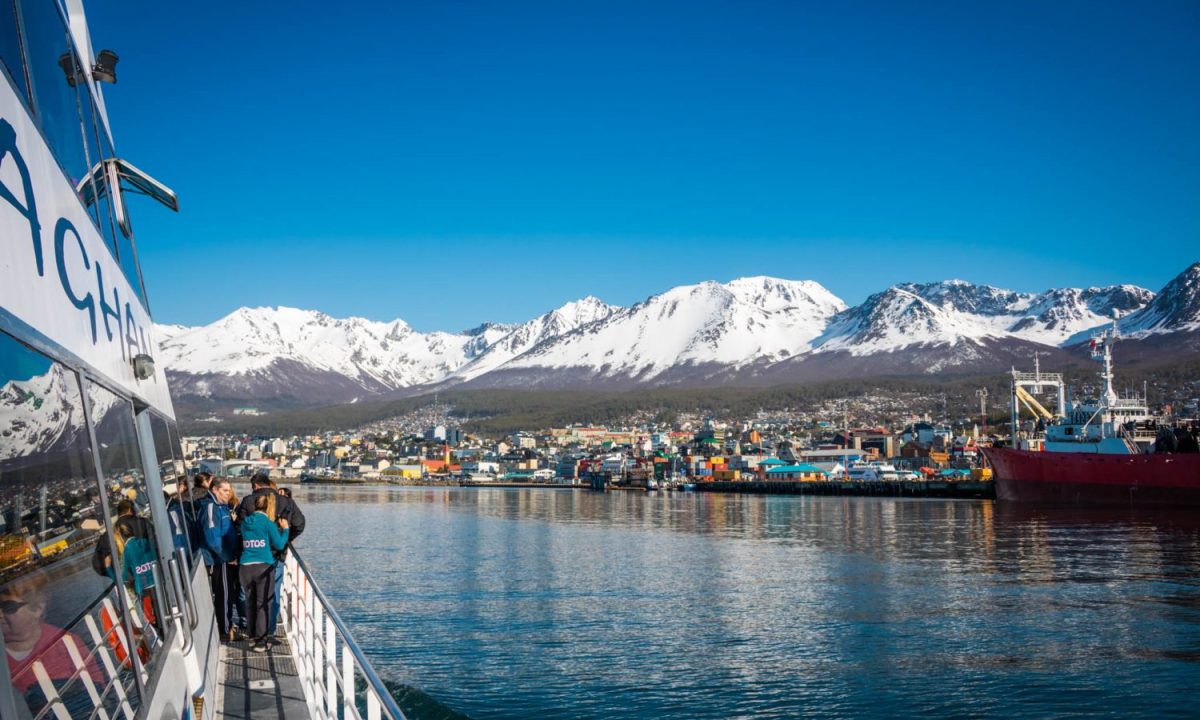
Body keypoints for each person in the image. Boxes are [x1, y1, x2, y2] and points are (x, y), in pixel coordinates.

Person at [2, 571, 104, 716]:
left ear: (37, 608)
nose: (0, 614)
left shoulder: (67, 643)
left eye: (8, 607)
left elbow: (97, 686)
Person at [238, 474, 305, 639]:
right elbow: (299, 523)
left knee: (250, 595)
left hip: (252, 555)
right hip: (277, 554)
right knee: (271, 594)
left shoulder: (247, 501)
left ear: (255, 485)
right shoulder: (286, 502)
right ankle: (269, 630)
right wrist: (285, 538)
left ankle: (251, 628)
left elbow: (239, 527)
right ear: (269, 483)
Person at [239, 493, 289, 653]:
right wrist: (285, 530)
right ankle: (261, 643)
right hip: (263, 566)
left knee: (250, 602)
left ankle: (252, 637)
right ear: (269, 507)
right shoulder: (267, 523)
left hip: (245, 566)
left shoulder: (245, 522)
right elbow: (280, 545)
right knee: (263, 604)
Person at [200, 479, 240, 641]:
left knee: (227, 593)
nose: (229, 494)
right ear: (215, 490)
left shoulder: (222, 507)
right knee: (223, 594)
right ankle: (224, 630)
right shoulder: (211, 508)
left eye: (229, 491)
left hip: (226, 557)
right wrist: (226, 557)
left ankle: (227, 625)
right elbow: (212, 537)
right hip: (219, 560)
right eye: (225, 491)